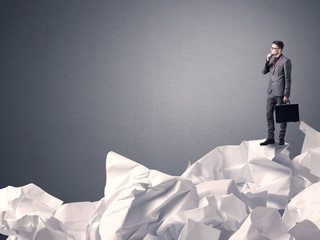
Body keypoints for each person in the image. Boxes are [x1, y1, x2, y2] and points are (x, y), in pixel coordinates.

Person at [260, 41, 292, 146]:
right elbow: (263, 71)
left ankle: (281, 138)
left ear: (279, 50)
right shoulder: (272, 60)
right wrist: (267, 60)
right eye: (271, 47)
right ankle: (270, 138)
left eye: (273, 48)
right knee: (268, 115)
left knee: (282, 117)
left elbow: (288, 78)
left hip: (280, 93)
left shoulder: (286, 61)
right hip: (270, 92)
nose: (271, 50)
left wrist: (286, 94)